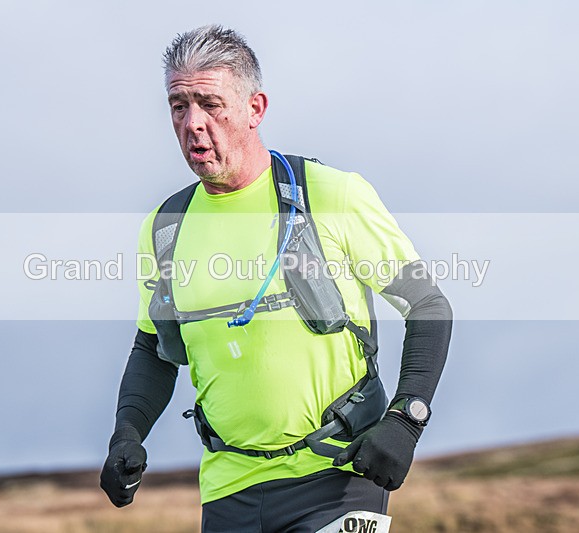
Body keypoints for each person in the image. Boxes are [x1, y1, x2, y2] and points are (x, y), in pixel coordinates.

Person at [100, 25, 453, 532]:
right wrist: (126, 435)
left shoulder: (332, 195)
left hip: (338, 475)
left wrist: (405, 419)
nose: (193, 123)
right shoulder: (165, 230)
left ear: (254, 108)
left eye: (209, 103)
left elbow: (427, 306)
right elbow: (153, 351)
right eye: (179, 106)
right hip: (228, 487)